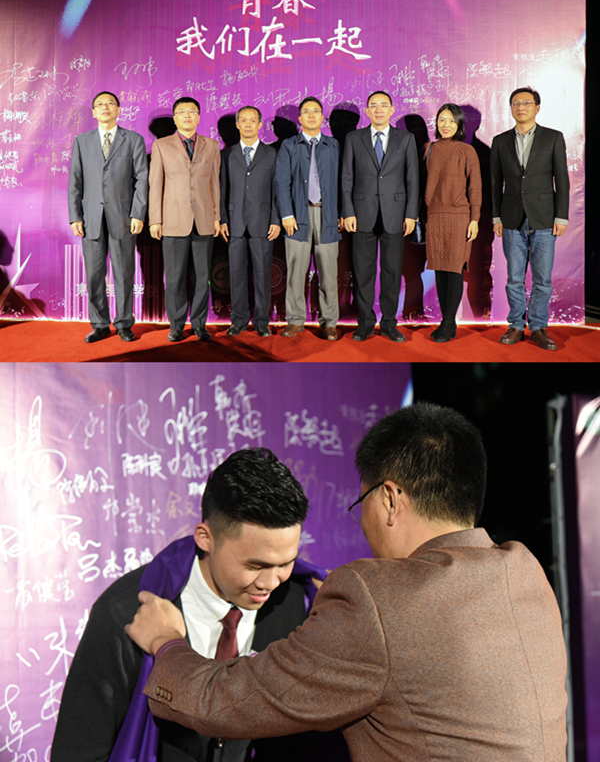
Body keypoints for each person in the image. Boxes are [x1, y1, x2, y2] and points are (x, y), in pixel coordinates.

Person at [126, 403, 568, 762]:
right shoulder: (526, 573)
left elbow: (225, 702)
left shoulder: (374, 596)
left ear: (390, 499)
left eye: (362, 503)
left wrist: (166, 642)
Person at [50, 448, 324, 762]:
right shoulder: (125, 613)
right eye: (255, 566)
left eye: (286, 563)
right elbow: (78, 752)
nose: (271, 582)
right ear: (205, 537)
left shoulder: (297, 604)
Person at [491, 87, 570, 351]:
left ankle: (537, 327)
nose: (521, 107)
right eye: (516, 103)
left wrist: (561, 216)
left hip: (545, 218)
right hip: (511, 218)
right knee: (514, 278)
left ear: (537, 107)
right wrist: (496, 216)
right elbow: (495, 183)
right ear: (511, 108)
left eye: (526, 102)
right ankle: (515, 325)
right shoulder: (500, 141)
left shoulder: (553, 138)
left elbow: (562, 179)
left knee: (542, 279)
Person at [68, 91, 148, 343]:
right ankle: (100, 324)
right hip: (90, 218)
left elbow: (142, 180)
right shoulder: (82, 141)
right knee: (94, 275)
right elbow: (75, 181)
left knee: (123, 273)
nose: (105, 107)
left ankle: (124, 323)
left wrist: (138, 213)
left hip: (123, 217)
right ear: (93, 112)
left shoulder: (133, 139)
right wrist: (75, 216)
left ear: (118, 110)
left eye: (110, 104)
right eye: (100, 105)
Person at [342, 91, 419, 343]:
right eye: (373, 105)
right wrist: (348, 211)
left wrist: (411, 214)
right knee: (363, 272)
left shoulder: (405, 139)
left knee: (391, 272)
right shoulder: (354, 138)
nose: (378, 109)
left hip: (395, 215)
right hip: (361, 214)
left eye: (383, 105)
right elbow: (347, 178)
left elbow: (412, 179)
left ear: (391, 110)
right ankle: (365, 322)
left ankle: (388, 323)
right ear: (367, 111)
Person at [149, 97, 220, 343]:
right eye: (182, 112)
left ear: (199, 116)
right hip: (173, 221)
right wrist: (155, 219)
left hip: (204, 220)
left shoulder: (212, 145)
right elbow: (155, 185)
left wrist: (217, 217)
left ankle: (199, 324)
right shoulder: (161, 145)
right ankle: (177, 325)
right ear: (175, 118)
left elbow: (215, 184)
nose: (187, 115)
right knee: (175, 278)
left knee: (202, 277)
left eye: (192, 111)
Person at [275, 97, 342, 341]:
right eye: (306, 111)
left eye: (316, 111)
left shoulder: (334, 145)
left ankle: (329, 322)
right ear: (299, 118)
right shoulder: (288, 145)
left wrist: (342, 213)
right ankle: (295, 320)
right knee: (296, 271)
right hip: (297, 216)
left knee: (328, 273)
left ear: (323, 117)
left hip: (328, 215)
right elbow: (281, 181)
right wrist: (286, 214)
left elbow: (344, 181)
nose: (311, 115)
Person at [422, 103, 482, 343]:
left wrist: (475, 219)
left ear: (459, 124)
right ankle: (444, 320)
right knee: (440, 268)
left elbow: (475, 187)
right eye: (442, 120)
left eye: (451, 121)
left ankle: (449, 322)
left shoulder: (467, 151)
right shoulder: (428, 148)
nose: (446, 125)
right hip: (434, 216)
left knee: (454, 269)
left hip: (459, 216)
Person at [219, 106, 280, 337]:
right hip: (234, 222)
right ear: (237, 124)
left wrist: (275, 219)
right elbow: (222, 188)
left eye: (252, 120)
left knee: (263, 273)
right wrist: (222, 219)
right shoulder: (226, 154)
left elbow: (278, 189)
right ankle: (239, 320)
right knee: (236, 273)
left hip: (263, 222)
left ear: (260, 124)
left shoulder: (272, 153)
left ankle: (262, 320)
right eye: (243, 120)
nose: (247, 124)